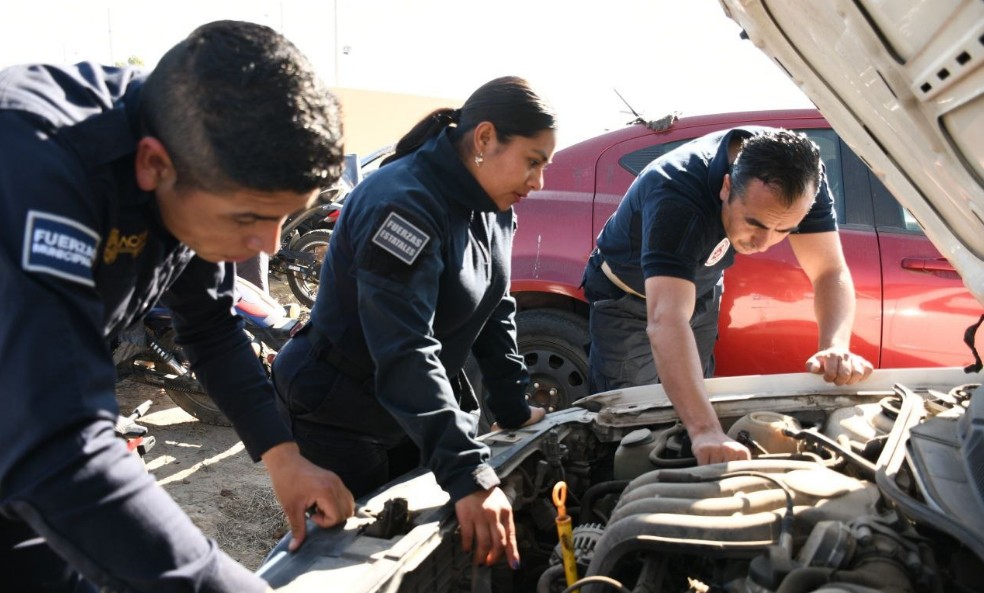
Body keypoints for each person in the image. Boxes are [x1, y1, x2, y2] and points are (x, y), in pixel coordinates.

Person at [0, 20, 355, 593]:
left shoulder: (189, 152)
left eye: (281, 220)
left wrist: (283, 456)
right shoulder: (35, 166)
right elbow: (59, 440)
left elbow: (211, 326)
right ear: (152, 165)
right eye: (247, 219)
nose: (267, 245)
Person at [271, 75, 554, 569]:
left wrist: (511, 406)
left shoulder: (493, 206)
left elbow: (494, 308)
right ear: (484, 139)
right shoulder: (403, 205)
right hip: (338, 409)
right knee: (344, 559)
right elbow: (403, 346)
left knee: (420, 550)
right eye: (533, 161)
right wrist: (468, 475)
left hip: (408, 409)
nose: (539, 182)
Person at [582, 127, 874, 465]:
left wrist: (835, 346)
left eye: (784, 230)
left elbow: (829, 272)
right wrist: (705, 430)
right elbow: (665, 320)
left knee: (697, 396)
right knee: (631, 420)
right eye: (755, 224)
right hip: (627, 298)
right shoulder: (675, 192)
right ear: (725, 187)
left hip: (701, 288)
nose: (764, 243)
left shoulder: (803, 179)